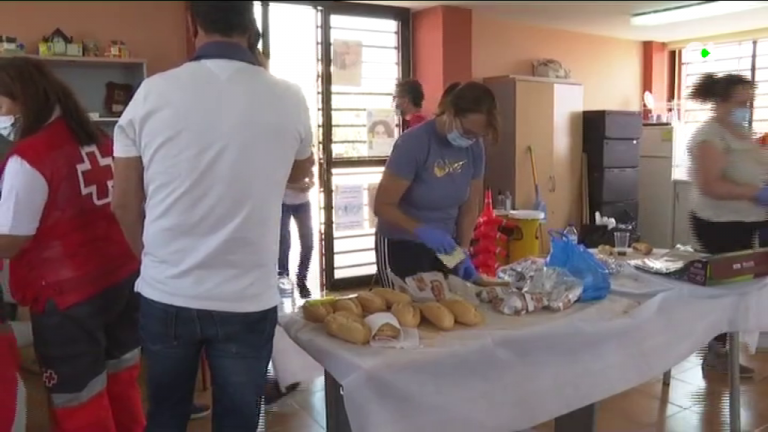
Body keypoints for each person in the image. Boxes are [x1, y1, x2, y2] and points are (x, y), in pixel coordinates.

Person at [111, 2, 314, 431]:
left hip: (167, 291)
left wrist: (151, 260)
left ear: (192, 24)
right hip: (247, 297)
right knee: (240, 420)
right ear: (250, 26)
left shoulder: (151, 93)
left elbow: (124, 203)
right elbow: (299, 174)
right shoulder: (289, 97)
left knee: (166, 415)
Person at [0, 57, 144, 431]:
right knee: (121, 383)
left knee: (80, 403)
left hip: (68, 299)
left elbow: (12, 240)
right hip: (120, 281)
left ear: (22, 99)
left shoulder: (29, 158)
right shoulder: (97, 137)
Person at [373, 82, 497, 287]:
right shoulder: (414, 143)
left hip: (447, 246)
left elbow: (470, 204)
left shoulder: (474, 147)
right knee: (409, 312)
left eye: (477, 135)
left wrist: (462, 251)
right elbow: (382, 206)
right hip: (402, 243)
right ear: (449, 112)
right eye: (466, 131)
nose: (471, 139)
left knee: (447, 308)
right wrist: (422, 231)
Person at [687, 72, 768, 377]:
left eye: (750, 101)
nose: (746, 107)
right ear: (720, 102)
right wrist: (756, 193)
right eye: (740, 102)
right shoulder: (710, 136)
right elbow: (711, 185)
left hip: (748, 222)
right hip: (720, 225)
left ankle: (723, 350)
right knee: (727, 294)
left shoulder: (741, 133)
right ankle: (716, 354)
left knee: (742, 292)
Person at [280, 170, 315, 300]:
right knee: (284, 244)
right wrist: (297, 186)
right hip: (283, 202)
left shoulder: (305, 155)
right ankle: (283, 280)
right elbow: (276, 179)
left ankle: (302, 279)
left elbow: (311, 173)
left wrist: (310, 183)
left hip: (303, 203)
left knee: (308, 243)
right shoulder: (280, 155)